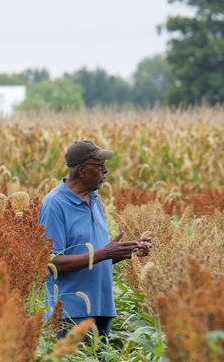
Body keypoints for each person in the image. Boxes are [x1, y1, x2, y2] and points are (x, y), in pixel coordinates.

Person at [40, 140, 149, 337]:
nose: (106, 171)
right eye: (100, 166)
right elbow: (51, 262)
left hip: (102, 308)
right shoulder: (54, 204)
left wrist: (125, 251)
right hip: (70, 314)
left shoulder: (94, 200)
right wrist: (104, 252)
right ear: (82, 170)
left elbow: (95, 257)